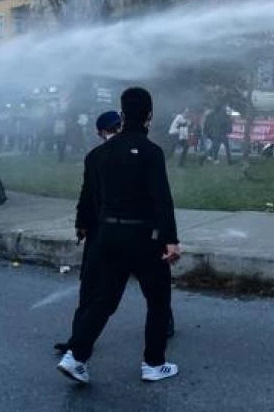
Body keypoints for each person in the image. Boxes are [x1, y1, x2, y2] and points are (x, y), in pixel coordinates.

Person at [58, 88, 181, 386]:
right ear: (150, 115)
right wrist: (171, 240)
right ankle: (154, 363)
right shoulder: (151, 152)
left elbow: (88, 197)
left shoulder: (99, 154)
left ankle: (75, 357)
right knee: (158, 300)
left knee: (103, 300)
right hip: (143, 237)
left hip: (108, 236)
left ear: (123, 114)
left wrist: (82, 225)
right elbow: (161, 199)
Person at [54, 110, 122, 354]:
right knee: (91, 289)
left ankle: (162, 323)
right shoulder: (95, 157)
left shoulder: (127, 154)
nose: (115, 133)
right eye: (112, 129)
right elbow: (87, 193)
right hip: (100, 231)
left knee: (152, 286)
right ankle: (77, 341)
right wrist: (82, 223)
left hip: (126, 232)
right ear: (101, 133)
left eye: (117, 128)